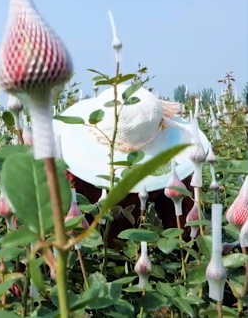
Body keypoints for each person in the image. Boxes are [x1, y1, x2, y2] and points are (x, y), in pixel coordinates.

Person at [54, 84, 212, 243]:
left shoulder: (171, 174)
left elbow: (186, 229)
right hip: (83, 249)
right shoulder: (69, 173)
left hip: (130, 246)